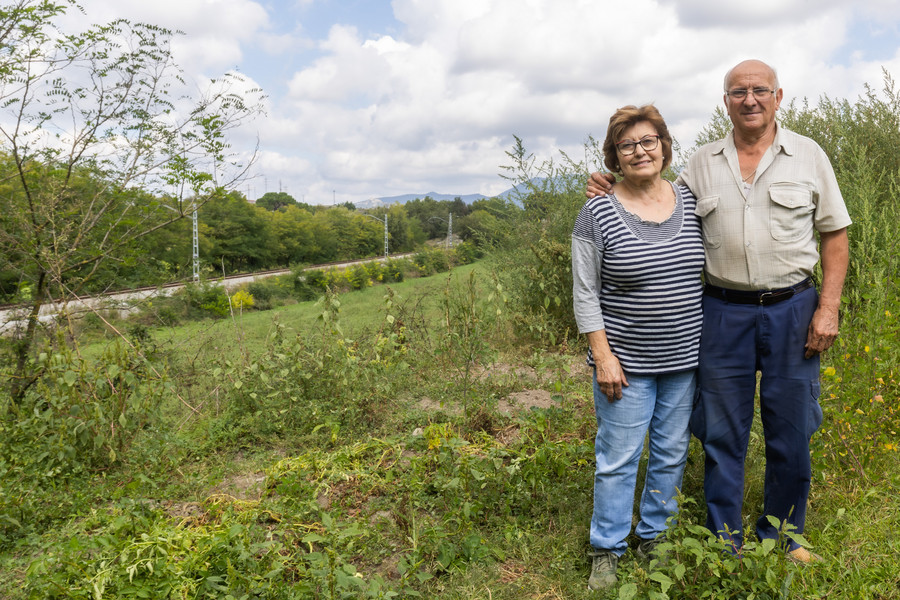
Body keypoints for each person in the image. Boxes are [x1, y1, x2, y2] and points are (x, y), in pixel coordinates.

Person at [586, 59, 851, 562]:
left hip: (794, 308)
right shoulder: (701, 164)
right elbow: (652, 195)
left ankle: (785, 536)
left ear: (778, 96)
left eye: (759, 91)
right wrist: (608, 185)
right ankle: (723, 539)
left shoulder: (809, 156)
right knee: (722, 431)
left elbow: (834, 233)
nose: (748, 100)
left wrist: (829, 307)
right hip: (722, 313)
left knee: (791, 429)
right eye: (737, 92)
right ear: (724, 101)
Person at [572, 104, 705, 591]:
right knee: (618, 457)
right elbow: (585, 292)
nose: (640, 151)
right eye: (627, 145)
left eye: (649, 141)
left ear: (665, 147)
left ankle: (655, 535)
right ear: (614, 156)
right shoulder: (597, 211)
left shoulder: (689, 198)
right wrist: (603, 356)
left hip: (685, 358)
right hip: (625, 364)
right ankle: (606, 547)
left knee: (670, 452)